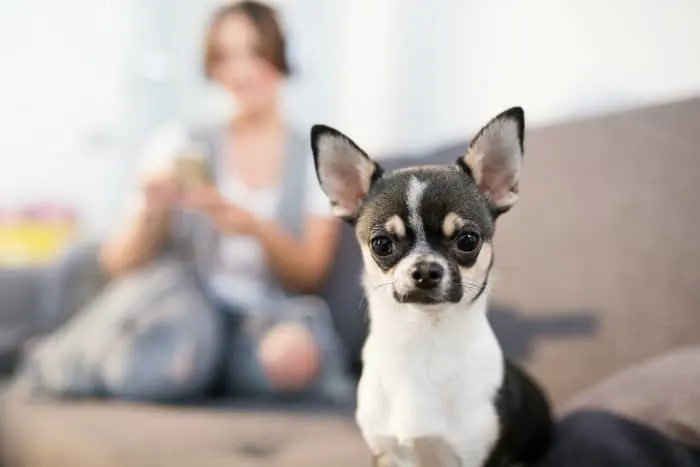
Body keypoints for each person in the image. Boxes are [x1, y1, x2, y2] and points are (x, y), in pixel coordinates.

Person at [17, 0, 352, 404]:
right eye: (225, 57)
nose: (240, 71)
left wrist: (250, 225)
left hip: (264, 315)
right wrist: (152, 211)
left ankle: (205, 366)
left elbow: (309, 275)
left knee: (292, 358)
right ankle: (64, 360)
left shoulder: (312, 158)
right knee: (173, 354)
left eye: (253, 53)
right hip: (187, 307)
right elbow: (118, 263)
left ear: (281, 58)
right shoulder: (178, 143)